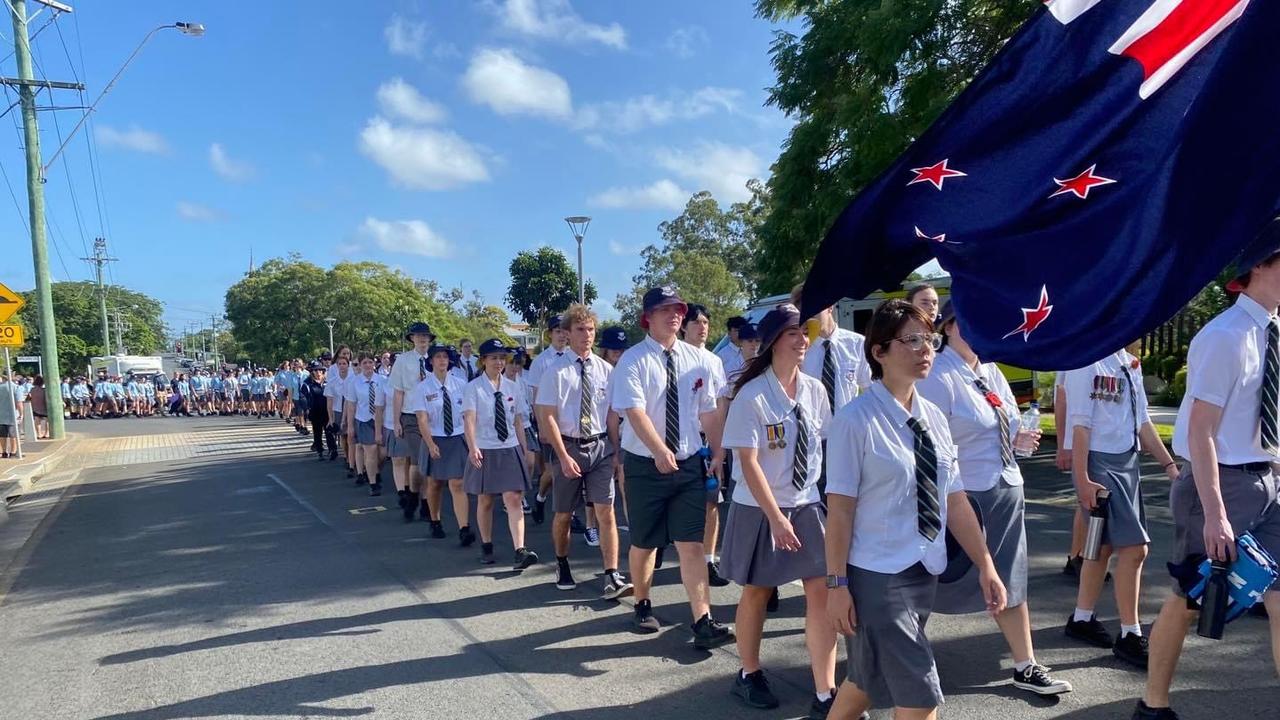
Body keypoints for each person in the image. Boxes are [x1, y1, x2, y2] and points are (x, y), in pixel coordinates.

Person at [824, 299, 1007, 720]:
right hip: (878, 575)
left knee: (865, 680)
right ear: (879, 352)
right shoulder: (855, 420)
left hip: (925, 567)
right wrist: (836, 585)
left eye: (930, 338)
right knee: (921, 695)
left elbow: (954, 498)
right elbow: (840, 513)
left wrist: (986, 565)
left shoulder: (933, 418)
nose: (927, 348)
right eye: (912, 339)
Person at [1135, 224, 1280, 720]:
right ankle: (1153, 705)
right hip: (1221, 483)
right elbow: (1201, 433)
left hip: (1269, 480)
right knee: (1190, 596)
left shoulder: (1273, 332)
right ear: (1259, 265)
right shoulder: (1224, 336)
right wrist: (1216, 513)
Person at [918, 302, 1072, 696]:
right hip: (962, 496)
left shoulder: (989, 370)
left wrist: (1020, 438)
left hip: (1005, 487)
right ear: (949, 328)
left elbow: (1009, 421)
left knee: (1010, 575)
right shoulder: (938, 374)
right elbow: (927, 441)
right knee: (933, 576)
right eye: (971, 322)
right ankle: (902, 654)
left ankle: (1026, 664)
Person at [719, 304, 838, 716]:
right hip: (759, 508)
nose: (803, 340)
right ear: (773, 342)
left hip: (805, 503)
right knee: (757, 591)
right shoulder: (751, 396)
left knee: (821, 593)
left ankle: (826, 691)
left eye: (804, 333)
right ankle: (748, 673)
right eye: (792, 334)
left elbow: (826, 444)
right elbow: (748, 463)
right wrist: (775, 517)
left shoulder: (815, 390)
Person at [610, 286, 733, 647]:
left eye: (678, 309)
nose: (675, 315)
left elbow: (709, 410)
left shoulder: (702, 360)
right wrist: (659, 450)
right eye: (665, 309)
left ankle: (703, 620)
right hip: (646, 466)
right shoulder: (633, 361)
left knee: (691, 545)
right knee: (645, 543)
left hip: (688, 465)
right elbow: (633, 412)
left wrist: (718, 452)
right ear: (648, 316)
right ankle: (643, 602)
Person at [1062, 340, 1178, 668]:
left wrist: (1170, 466)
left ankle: (1082, 619)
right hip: (1098, 462)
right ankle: (1130, 634)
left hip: (1127, 461)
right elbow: (1080, 424)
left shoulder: (1128, 363)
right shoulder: (1087, 360)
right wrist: (1082, 477)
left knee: (1101, 546)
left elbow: (1142, 422)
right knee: (1135, 549)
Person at [536, 303, 633, 599]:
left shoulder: (607, 371)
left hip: (600, 446)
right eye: (580, 329)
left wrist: (616, 453)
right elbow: (547, 415)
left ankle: (611, 574)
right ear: (567, 333)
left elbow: (612, 416)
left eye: (591, 329)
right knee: (564, 514)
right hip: (568, 445)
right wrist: (562, 457)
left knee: (606, 511)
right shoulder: (555, 371)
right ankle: (562, 562)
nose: (587, 335)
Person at [463, 338, 538, 569]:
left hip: (509, 447)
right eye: (494, 358)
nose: (499, 362)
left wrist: (524, 450)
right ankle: (486, 545)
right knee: (485, 500)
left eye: (502, 358)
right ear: (483, 360)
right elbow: (470, 420)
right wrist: (473, 446)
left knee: (514, 497)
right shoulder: (473, 388)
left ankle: (520, 549)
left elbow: (517, 421)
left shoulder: (513, 387)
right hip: (485, 448)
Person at [679, 303, 732, 588]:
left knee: (712, 502)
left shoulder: (714, 361)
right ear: (684, 326)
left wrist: (719, 443)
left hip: (706, 441)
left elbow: (720, 403)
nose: (703, 327)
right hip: (680, 441)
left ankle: (709, 560)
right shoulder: (675, 358)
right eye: (697, 322)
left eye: (706, 322)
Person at [412, 343, 474, 544]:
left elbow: (468, 415)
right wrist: (430, 443)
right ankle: (435, 520)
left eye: (445, 357)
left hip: (457, 437)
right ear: (431, 361)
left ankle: (464, 528)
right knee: (435, 483)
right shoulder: (423, 388)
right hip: (435, 437)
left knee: (458, 483)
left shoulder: (461, 384)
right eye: (438, 357)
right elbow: (422, 419)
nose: (442, 361)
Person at [389, 323, 436, 522]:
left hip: (433, 416)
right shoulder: (403, 360)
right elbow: (398, 392)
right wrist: (396, 420)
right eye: (418, 336)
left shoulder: (437, 359)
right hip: (411, 415)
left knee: (430, 462)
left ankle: (423, 500)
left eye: (425, 336)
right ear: (412, 339)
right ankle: (417, 498)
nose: (422, 339)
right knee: (419, 459)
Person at [529, 315, 570, 524]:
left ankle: (568, 513)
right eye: (557, 331)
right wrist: (542, 427)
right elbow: (536, 398)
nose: (562, 335)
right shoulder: (541, 361)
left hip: (572, 425)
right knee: (553, 471)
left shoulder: (575, 357)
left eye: (564, 330)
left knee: (570, 472)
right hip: (550, 423)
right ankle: (541, 497)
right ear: (550, 334)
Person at [599, 326, 631, 531]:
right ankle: (592, 526)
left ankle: (633, 525)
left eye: (621, 348)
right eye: (613, 348)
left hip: (626, 431)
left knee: (627, 487)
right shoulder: (599, 370)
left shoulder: (630, 369)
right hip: (600, 433)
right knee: (601, 490)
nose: (617, 352)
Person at [346, 352, 386, 496]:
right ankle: (373, 483)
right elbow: (351, 405)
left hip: (380, 419)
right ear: (361, 366)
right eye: (364, 363)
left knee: (383, 452)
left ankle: (375, 471)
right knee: (371, 451)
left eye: (370, 362)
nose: (368, 365)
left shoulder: (382, 380)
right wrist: (350, 426)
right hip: (364, 419)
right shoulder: (355, 382)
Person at [301, 361, 329, 461]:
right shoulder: (307, 383)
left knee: (328, 430)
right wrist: (307, 409)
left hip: (327, 410)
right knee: (317, 431)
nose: (318, 372)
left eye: (320, 370)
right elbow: (303, 397)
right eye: (315, 370)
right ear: (311, 371)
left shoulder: (327, 381)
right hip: (315, 411)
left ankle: (332, 449)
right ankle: (320, 450)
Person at [0, 374, 16, 457]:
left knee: (2, 435)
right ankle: (13, 451)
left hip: (1, 415)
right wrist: (21, 413)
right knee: (13, 434)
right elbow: (19, 402)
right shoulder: (15, 387)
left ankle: (4, 452)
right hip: (12, 415)